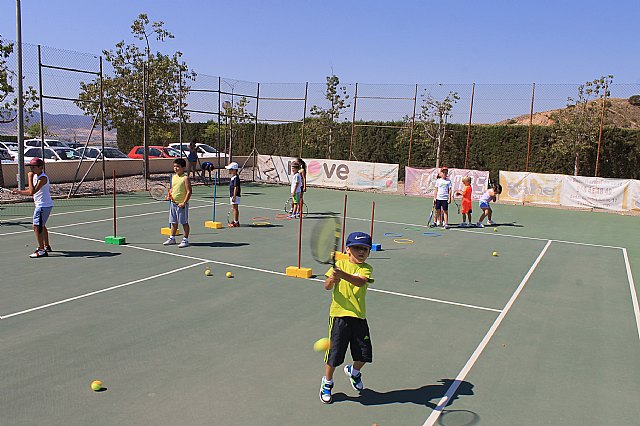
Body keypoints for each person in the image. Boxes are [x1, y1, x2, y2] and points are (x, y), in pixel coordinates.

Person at [319, 231, 374, 404]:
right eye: (357, 248)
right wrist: (333, 278)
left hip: (358, 316)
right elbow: (327, 286)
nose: (361, 252)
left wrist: (342, 275)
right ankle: (327, 383)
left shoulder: (366, 268)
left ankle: (354, 372)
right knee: (334, 355)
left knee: (364, 355)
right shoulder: (339, 265)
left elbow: (360, 281)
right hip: (339, 316)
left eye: (365, 249)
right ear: (347, 249)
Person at [11, 157, 54, 258]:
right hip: (43, 205)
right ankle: (46, 246)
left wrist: (29, 178)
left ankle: (41, 249)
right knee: (41, 226)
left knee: (36, 226)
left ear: (40, 167)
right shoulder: (36, 176)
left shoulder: (43, 178)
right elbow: (32, 191)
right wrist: (18, 192)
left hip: (43, 205)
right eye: (30, 167)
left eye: (33, 167)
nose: (31, 169)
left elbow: (32, 192)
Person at [163, 158, 192, 247]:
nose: (175, 168)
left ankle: (185, 239)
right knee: (173, 222)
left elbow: (189, 191)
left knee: (184, 222)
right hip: (173, 203)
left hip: (182, 205)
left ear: (183, 168)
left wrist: (184, 202)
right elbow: (172, 188)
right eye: (174, 166)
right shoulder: (174, 177)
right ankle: (172, 238)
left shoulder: (185, 178)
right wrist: (169, 195)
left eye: (178, 167)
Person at [226, 162, 241, 227]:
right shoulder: (233, 177)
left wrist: (234, 196)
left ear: (234, 170)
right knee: (234, 208)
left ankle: (236, 222)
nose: (229, 170)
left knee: (235, 208)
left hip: (235, 195)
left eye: (230, 169)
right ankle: (235, 220)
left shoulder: (236, 178)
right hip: (233, 195)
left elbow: (236, 187)